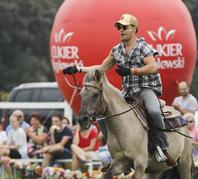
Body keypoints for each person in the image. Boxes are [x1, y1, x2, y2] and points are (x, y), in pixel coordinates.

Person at [63, 14, 176, 166]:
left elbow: (153, 67)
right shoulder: (116, 50)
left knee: (154, 111)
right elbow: (102, 68)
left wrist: (132, 71)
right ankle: (117, 152)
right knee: (103, 114)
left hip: (146, 89)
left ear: (135, 29)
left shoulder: (144, 47)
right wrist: (78, 68)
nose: (121, 30)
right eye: (119, 28)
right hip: (128, 91)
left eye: (124, 27)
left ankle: (162, 148)